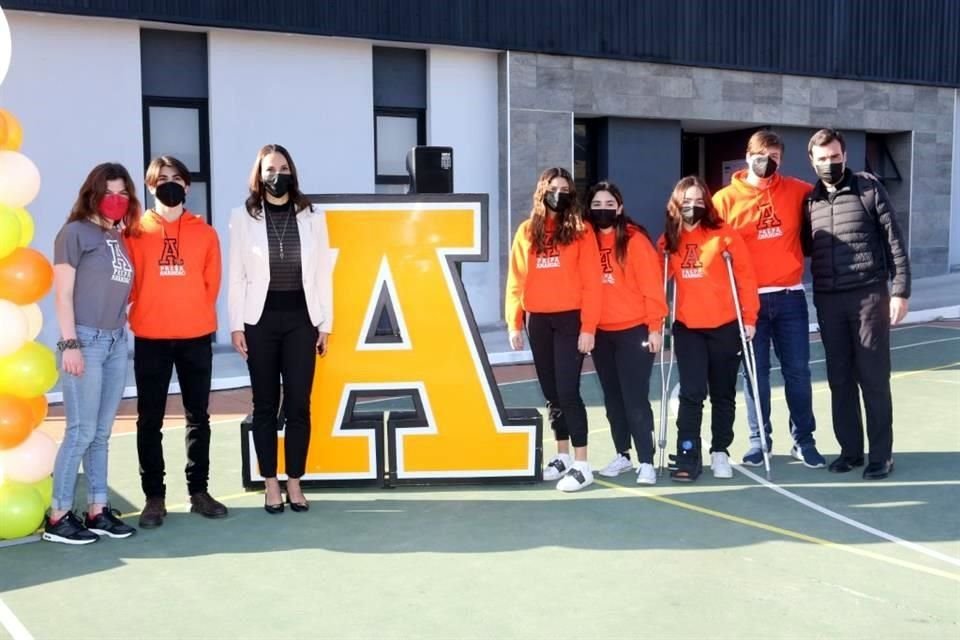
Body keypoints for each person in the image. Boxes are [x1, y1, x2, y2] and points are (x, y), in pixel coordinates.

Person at [228, 144, 333, 512]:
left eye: (283, 167)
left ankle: (294, 481)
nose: (277, 175)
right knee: (265, 406)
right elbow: (237, 276)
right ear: (259, 175)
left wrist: (325, 323)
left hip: (302, 320)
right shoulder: (242, 217)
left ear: (293, 172)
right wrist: (236, 325)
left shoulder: (312, 216)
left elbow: (322, 272)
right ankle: (270, 483)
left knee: (300, 404)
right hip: (260, 321)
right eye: (270, 169)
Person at [713, 130, 825, 469]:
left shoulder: (797, 190)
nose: (767, 162)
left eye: (774, 157)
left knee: (798, 373)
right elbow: (708, 245)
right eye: (762, 155)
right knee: (754, 376)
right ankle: (759, 441)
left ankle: (803, 440)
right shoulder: (724, 200)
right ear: (747, 156)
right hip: (749, 305)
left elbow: (832, 198)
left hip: (790, 298)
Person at [125, 155, 227, 528]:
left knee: (198, 417)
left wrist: (192, 310)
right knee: (149, 419)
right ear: (150, 186)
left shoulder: (205, 232)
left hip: (195, 336)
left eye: (176, 178)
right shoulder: (134, 231)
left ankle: (198, 491)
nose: (169, 183)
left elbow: (210, 283)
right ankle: (154, 497)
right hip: (150, 336)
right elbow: (129, 282)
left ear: (187, 185)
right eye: (161, 178)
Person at [803, 128, 910, 480]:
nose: (829, 164)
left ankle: (881, 455)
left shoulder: (868, 188)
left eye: (835, 157)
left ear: (844, 156)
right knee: (840, 380)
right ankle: (850, 451)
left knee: (874, 378)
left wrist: (900, 291)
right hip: (828, 301)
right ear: (812, 161)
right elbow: (806, 247)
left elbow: (894, 241)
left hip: (868, 296)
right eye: (822, 159)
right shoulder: (810, 201)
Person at [44, 163, 140, 544]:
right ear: (92, 194)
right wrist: (70, 344)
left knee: (101, 433)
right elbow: (62, 294)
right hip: (84, 340)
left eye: (123, 194)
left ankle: (98, 509)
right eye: (108, 193)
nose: (116, 200)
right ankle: (58, 516)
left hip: (116, 341)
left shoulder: (117, 237)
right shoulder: (73, 234)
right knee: (80, 431)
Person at [657, 176, 759, 482]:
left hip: (725, 326)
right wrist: (655, 323)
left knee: (723, 393)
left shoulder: (724, 235)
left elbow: (745, 278)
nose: (693, 206)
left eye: (699, 200)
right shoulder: (668, 241)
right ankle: (688, 454)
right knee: (692, 392)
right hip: (689, 328)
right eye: (686, 201)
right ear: (676, 204)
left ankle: (720, 451)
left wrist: (750, 318)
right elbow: (658, 284)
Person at [505, 167, 602, 492]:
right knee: (550, 394)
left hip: (570, 320)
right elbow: (516, 279)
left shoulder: (581, 231)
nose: (558, 193)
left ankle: (582, 464)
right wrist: (514, 322)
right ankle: (560, 456)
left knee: (568, 391)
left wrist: (588, 327)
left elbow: (592, 283)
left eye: (565, 188)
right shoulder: (526, 232)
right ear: (541, 191)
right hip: (539, 321)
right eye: (553, 187)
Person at [585, 181, 668, 485]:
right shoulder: (586, 241)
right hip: (601, 334)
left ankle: (646, 460)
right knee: (612, 398)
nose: (603, 210)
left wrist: (656, 327)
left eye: (609, 205)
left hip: (633, 331)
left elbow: (652, 288)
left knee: (634, 397)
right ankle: (623, 454)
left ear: (619, 208)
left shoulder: (634, 241)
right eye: (597, 205)